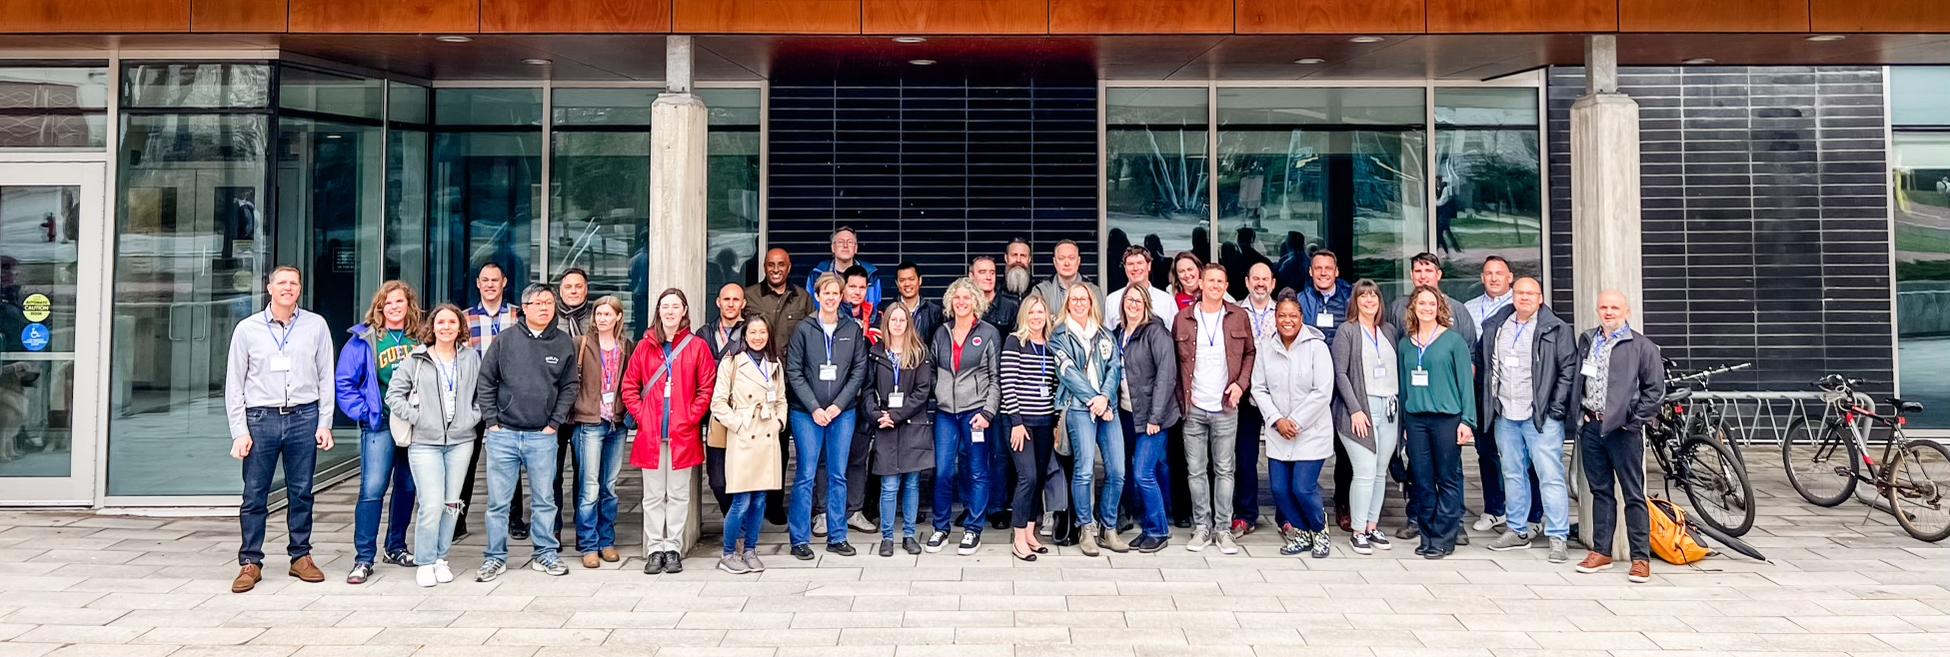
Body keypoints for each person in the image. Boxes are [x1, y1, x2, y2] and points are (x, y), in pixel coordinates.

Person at [226, 266, 335, 594]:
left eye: (294, 283)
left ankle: (300, 556)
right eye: (282, 283)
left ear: (300, 288)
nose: (288, 288)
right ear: (269, 287)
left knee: (301, 491)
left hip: (304, 416)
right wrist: (239, 431)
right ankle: (250, 562)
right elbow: (235, 384)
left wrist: (325, 422)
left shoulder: (316, 325)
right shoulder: (247, 329)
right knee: (255, 494)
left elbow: (325, 376)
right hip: (261, 418)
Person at [474, 283, 580, 581]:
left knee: (545, 499)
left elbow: (570, 385)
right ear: (524, 309)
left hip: (542, 435)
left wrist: (555, 422)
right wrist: (491, 421)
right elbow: (486, 381)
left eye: (549, 302)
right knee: (498, 502)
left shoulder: (562, 343)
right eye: (538, 303)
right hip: (503, 434)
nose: (545, 307)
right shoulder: (505, 340)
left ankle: (545, 553)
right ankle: (495, 557)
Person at [1480, 277, 1576, 563]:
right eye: (1520, 292)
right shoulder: (1498, 326)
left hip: (1541, 417)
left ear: (1541, 298)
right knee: (1512, 473)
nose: (1524, 297)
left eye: (1530, 293)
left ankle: (1558, 535)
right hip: (1506, 414)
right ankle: (1517, 530)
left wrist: (1555, 409)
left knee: (1551, 477)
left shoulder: (1556, 329)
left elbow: (1567, 369)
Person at [1570, 290, 1663, 583]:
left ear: (1627, 311)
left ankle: (1640, 557)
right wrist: (1579, 417)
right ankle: (1602, 551)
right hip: (1592, 426)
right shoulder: (1588, 340)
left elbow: (1654, 390)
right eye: (1604, 307)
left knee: (1633, 494)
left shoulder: (1641, 346)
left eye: (1614, 307)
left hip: (1623, 431)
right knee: (1600, 492)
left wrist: (1634, 422)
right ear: (1597, 310)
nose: (1608, 312)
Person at [623, 288, 718, 575]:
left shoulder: (696, 346)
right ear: (658, 310)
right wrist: (643, 415)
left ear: (684, 310)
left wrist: (690, 417)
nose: (670, 311)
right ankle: (655, 548)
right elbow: (630, 386)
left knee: (677, 494)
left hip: (682, 432)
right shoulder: (644, 346)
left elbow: (706, 388)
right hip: (651, 432)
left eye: (676, 306)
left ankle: (673, 546)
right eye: (665, 306)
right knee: (652, 495)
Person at [387, 304, 482, 587]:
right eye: (440, 322)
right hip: (424, 442)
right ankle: (425, 561)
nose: (446, 327)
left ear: (460, 327)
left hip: (461, 440)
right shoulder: (416, 359)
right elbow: (394, 395)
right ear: (433, 326)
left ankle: (442, 558)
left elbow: (482, 393)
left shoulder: (470, 358)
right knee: (431, 504)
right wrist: (418, 418)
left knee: (452, 503)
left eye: (452, 322)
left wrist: (472, 417)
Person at [335, 280, 423, 584]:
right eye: (389, 302)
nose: (395, 307)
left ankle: (396, 546)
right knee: (372, 489)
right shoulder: (365, 339)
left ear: (409, 306)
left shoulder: (420, 338)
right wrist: (364, 413)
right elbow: (345, 382)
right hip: (380, 423)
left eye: (400, 302)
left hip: (413, 424)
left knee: (408, 487)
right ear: (380, 306)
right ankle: (363, 558)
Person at [785, 273, 869, 559]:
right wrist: (814, 407)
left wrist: (838, 405)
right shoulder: (804, 329)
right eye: (826, 293)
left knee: (838, 474)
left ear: (841, 296)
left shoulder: (852, 329)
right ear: (818, 296)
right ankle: (799, 540)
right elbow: (793, 371)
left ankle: (837, 536)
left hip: (842, 413)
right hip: (807, 414)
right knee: (806, 474)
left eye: (836, 293)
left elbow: (859, 371)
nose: (832, 297)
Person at [1172, 264, 1255, 555]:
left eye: (1220, 281)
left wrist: (1240, 386)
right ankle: (1201, 527)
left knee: (1224, 470)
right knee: (1195, 471)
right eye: (1210, 281)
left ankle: (1223, 529)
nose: (1215, 285)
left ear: (1227, 284)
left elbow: (1249, 353)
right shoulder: (1183, 318)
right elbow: (1174, 362)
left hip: (1225, 406)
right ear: (1201, 284)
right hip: (1194, 406)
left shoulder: (1238, 316)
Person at [1251, 293, 1335, 558]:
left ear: (1302, 318)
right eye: (1282, 315)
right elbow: (1258, 388)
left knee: (1302, 487)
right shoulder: (1266, 347)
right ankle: (1301, 532)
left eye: (1293, 316)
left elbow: (1322, 391)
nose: (1287, 321)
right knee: (1279, 489)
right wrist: (1277, 419)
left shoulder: (1316, 347)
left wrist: (1296, 422)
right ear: (1275, 319)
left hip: (1310, 431)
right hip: (1279, 431)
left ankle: (1319, 530)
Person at [1398, 285, 1476, 560]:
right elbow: (1404, 387)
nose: (1427, 308)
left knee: (1448, 477)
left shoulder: (1453, 341)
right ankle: (1427, 534)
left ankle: (1446, 535)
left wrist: (1467, 420)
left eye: (1432, 303)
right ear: (1414, 307)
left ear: (1439, 307)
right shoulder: (1406, 344)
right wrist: (1405, 425)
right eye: (1422, 303)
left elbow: (1466, 384)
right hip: (1417, 420)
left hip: (1447, 419)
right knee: (1422, 479)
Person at [926, 277, 1002, 555]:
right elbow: (932, 370)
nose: (961, 302)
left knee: (978, 471)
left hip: (976, 413)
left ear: (976, 302)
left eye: (966, 298)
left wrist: (988, 412)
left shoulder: (989, 333)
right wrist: (937, 395)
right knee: (944, 471)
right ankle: (941, 528)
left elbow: (996, 378)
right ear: (950, 302)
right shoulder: (941, 333)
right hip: (946, 413)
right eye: (956, 298)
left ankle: (973, 529)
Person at [708, 314, 787, 575]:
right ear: (744, 335)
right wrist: (739, 425)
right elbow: (718, 402)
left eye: (762, 332)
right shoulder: (731, 363)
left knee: (760, 500)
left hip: (767, 436)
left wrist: (778, 423)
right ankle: (729, 553)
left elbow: (782, 400)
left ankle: (751, 549)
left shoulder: (774, 364)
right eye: (752, 332)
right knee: (741, 500)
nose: (757, 337)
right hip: (743, 435)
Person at [1052, 283, 1126, 557]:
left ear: (1092, 302)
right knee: (1083, 471)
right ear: (1068, 304)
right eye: (1075, 299)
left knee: (1117, 471)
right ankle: (1086, 528)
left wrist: (1105, 398)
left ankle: (1109, 527)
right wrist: (1095, 400)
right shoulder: (1060, 335)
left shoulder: (1105, 333)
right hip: (1080, 408)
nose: (1080, 303)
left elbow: (1115, 368)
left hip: (1108, 408)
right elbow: (1068, 373)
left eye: (1084, 298)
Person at [1330, 280, 1400, 555]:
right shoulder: (1347, 331)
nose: (1369, 300)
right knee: (1364, 471)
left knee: (1380, 471)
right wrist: (1355, 409)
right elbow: (1340, 373)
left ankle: (1372, 525)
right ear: (1355, 301)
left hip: (1390, 406)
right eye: (1363, 296)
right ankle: (1357, 530)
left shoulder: (1389, 331)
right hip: (1360, 408)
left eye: (1373, 296)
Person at [861, 303, 936, 557]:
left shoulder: (919, 353)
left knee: (912, 484)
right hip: (884, 427)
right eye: (893, 319)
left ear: (909, 323)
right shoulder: (875, 353)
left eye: (902, 319)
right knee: (889, 485)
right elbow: (868, 390)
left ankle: (910, 535)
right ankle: (887, 537)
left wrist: (895, 415)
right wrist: (876, 415)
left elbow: (922, 392)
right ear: (887, 323)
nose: (898, 324)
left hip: (912, 426)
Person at [746, 248, 812, 524]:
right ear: (764, 266)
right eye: (771, 265)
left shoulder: (803, 298)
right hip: (755, 381)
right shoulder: (750, 296)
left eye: (781, 265)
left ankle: (774, 503)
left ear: (789, 266)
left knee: (780, 446)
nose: (775, 269)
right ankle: (750, 501)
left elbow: (811, 337)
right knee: (752, 444)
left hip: (789, 383)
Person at [569, 296, 633, 569]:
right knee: (589, 487)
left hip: (615, 423)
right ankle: (588, 543)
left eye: (608, 314)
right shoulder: (581, 344)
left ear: (618, 317)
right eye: (599, 314)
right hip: (589, 422)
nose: (602, 318)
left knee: (610, 487)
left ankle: (607, 541)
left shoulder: (626, 346)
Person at [1114, 282, 1179, 553]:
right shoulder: (1118, 333)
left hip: (1154, 416)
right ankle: (1150, 527)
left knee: (1143, 473)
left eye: (1138, 301)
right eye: (1129, 300)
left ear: (1146, 304)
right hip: (1127, 413)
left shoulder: (1156, 332)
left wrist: (1155, 418)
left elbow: (1166, 375)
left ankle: (1159, 530)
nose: (1133, 305)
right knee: (1134, 471)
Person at [1462, 255, 1525, 534]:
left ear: (1510, 276)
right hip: (1480, 389)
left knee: (1520, 454)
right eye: (1488, 273)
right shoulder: (1469, 309)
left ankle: (1526, 512)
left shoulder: (1522, 305)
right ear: (1482, 278)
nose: (1494, 278)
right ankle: (1494, 509)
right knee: (1486, 450)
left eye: (1499, 273)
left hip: (1515, 389)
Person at [461, 262, 520, 540]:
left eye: (495, 280)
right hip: (474, 398)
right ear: (478, 283)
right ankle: (458, 520)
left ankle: (515, 519)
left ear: (504, 282)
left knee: (510, 459)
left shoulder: (518, 316)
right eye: (485, 280)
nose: (490, 285)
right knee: (467, 460)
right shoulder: (464, 319)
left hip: (509, 399)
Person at [1299, 251, 1357, 530]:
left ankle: (1343, 501)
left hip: (1344, 381)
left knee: (1345, 447)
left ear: (1336, 272)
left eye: (1328, 268)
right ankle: (1307, 501)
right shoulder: (1302, 300)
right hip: (1312, 384)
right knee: (1309, 445)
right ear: (1310, 272)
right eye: (1317, 268)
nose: (1322, 273)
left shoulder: (1350, 298)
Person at [1000, 293, 1058, 560]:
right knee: (1028, 477)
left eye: (1040, 312)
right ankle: (1019, 537)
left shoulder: (1052, 345)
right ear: (1025, 315)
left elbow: (1056, 386)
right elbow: (1008, 384)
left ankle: (1031, 533)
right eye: (1032, 312)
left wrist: (1056, 423)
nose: (1036, 317)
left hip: (1045, 421)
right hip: (1020, 423)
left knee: (1040, 479)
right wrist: (1016, 422)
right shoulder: (1015, 341)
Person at [1233, 263, 1279, 536]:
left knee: (1282, 456)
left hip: (1277, 395)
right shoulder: (1235, 313)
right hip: (1246, 394)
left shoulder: (1285, 312)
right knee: (1245, 456)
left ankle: (1286, 514)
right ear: (1247, 282)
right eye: (1255, 279)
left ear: (1272, 283)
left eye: (1265, 279)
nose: (1260, 284)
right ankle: (1246, 513)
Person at [699, 283, 748, 515]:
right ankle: (732, 519)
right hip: (715, 414)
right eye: (726, 299)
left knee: (743, 476)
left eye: (735, 300)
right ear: (718, 302)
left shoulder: (752, 332)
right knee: (717, 479)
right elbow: (700, 371)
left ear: (743, 304)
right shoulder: (704, 334)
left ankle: (740, 529)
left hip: (744, 413)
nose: (730, 304)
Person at [806, 226, 883, 308]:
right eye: (840, 242)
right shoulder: (817, 274)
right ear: (833, 247)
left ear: (856, 248)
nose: (845, 246)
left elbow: (875, 307)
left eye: (850, 242)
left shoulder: (870, 274)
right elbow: (810, 307)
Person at [1104, 246, 1178, 331]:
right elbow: (1108, 338)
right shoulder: (1112, 300)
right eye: (1130, 264)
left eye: (1140, 263)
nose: (1135, 268)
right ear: (1125, 267)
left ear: (1149, 265)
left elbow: (1174, 335)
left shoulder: (1167, 300)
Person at [1030, 240, 1103, 320]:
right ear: (1054, 262)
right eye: (1061, 258)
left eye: (1071, 258)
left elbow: (1098, 321)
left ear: (1078, 261)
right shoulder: (1041, 291)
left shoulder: (1093, 290)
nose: (1067, 263)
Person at [884, 261, 943, 347]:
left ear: (920, 281)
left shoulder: (934, 312)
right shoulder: (886, 309)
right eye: (902, 280)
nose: (907, 284)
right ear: (897, 283)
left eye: (911, 279)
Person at [971, 256, 1020, 335]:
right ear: (971, 276)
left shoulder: (1011, 306)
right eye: (982, 272)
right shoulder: (965, 304)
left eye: (992, 272)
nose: (988, 277)